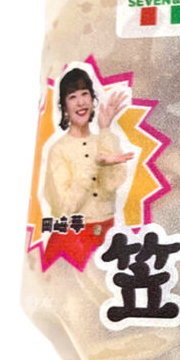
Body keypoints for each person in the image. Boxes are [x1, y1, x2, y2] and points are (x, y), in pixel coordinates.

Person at [43, 67, 135, 264]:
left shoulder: (103, 140)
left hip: (108, 236)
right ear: (64, 107)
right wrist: (93, 166)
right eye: (72, 97)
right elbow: (65, 207)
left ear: (92, 99)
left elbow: (111, 184)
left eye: (85, 94)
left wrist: (105, 129)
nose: (81, 102)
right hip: (72, 239)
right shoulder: (58, 150)